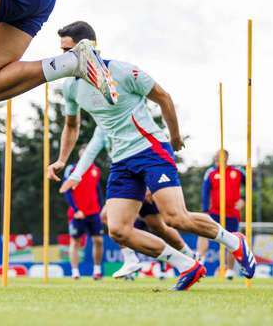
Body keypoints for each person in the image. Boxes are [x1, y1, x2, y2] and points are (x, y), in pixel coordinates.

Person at [47, 21, 255, 291]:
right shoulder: (72, 88)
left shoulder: (122, 70)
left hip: (150, 150)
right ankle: (186, 265)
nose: (64, 57)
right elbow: (71, 126)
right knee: (118, 229)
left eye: (69, 50)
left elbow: (163, 97)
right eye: (61, 50)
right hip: (121, 162)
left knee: (175, 218)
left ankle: (234, 242)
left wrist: (175, 136)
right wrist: (63, 160)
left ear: (88, 48)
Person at [63, 127, 198, 279]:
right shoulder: (106, 128)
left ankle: (188, 254)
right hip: (127, 183)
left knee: (160, 226)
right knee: (108, 218)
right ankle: (130, 259)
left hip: (145, 180)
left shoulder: (133, 120)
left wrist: (150, 185)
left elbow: (149, 151)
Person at [196, 150, 245, 279]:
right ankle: (200, 260)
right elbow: (205, 191)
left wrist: (243, 199)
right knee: (202, 232)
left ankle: (229, 270)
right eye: (216, 156)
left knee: (231, 240)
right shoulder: (211, 172)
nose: (217, 158)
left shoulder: (238, 171)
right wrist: (205, 209)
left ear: (226, 157)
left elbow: (252, 184)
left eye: (219, 156)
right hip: (215, 212)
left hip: (232, 213)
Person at [62, 146, 104, 280]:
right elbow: (67, 191)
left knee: (98, 240)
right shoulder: (72, 169)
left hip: (94, 212)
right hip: (77, 213)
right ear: (80, 155)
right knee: (75, 242)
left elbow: (98, 192)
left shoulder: (96, 170)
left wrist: (101, 208)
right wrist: (76, 209)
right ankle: (75, 272)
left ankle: (97, 271)